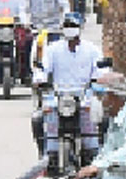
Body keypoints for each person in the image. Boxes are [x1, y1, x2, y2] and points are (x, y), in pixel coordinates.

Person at [40, 15, 103, 168]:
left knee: (101, 118)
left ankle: (96, 151)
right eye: (67, 25)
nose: (70, 28)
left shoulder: (92, 50)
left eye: (72, 25)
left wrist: (100, 81)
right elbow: (42, 68)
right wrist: (40, 80)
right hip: (59, 97)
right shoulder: (52, 50)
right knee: (39, 118)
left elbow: (101, 70)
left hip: (85, 96)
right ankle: (48, 153)